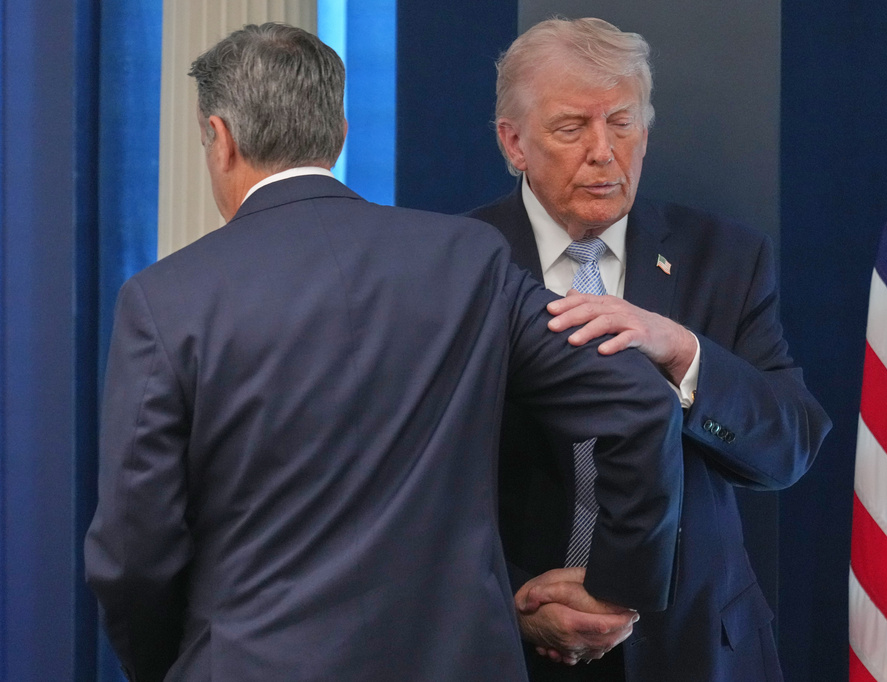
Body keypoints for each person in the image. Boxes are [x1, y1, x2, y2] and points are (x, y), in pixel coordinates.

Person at [83, 22, 686, 682]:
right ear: (341, 132)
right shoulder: (466, 261)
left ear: (219, 140)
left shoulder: (164, 300)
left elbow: (135, 551)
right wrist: (618, 584)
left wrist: (171, 664)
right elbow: (639, 403)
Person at [469, 17, 833, 681]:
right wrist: (514, 599)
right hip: (516, 644)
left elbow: (789, 446)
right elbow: (417, 484)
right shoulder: (458, 266)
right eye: (572, 127)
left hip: (695, 647)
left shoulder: (726, 260)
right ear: (514, 142)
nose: (604, 151)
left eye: (623, 123)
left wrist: (683, 353)